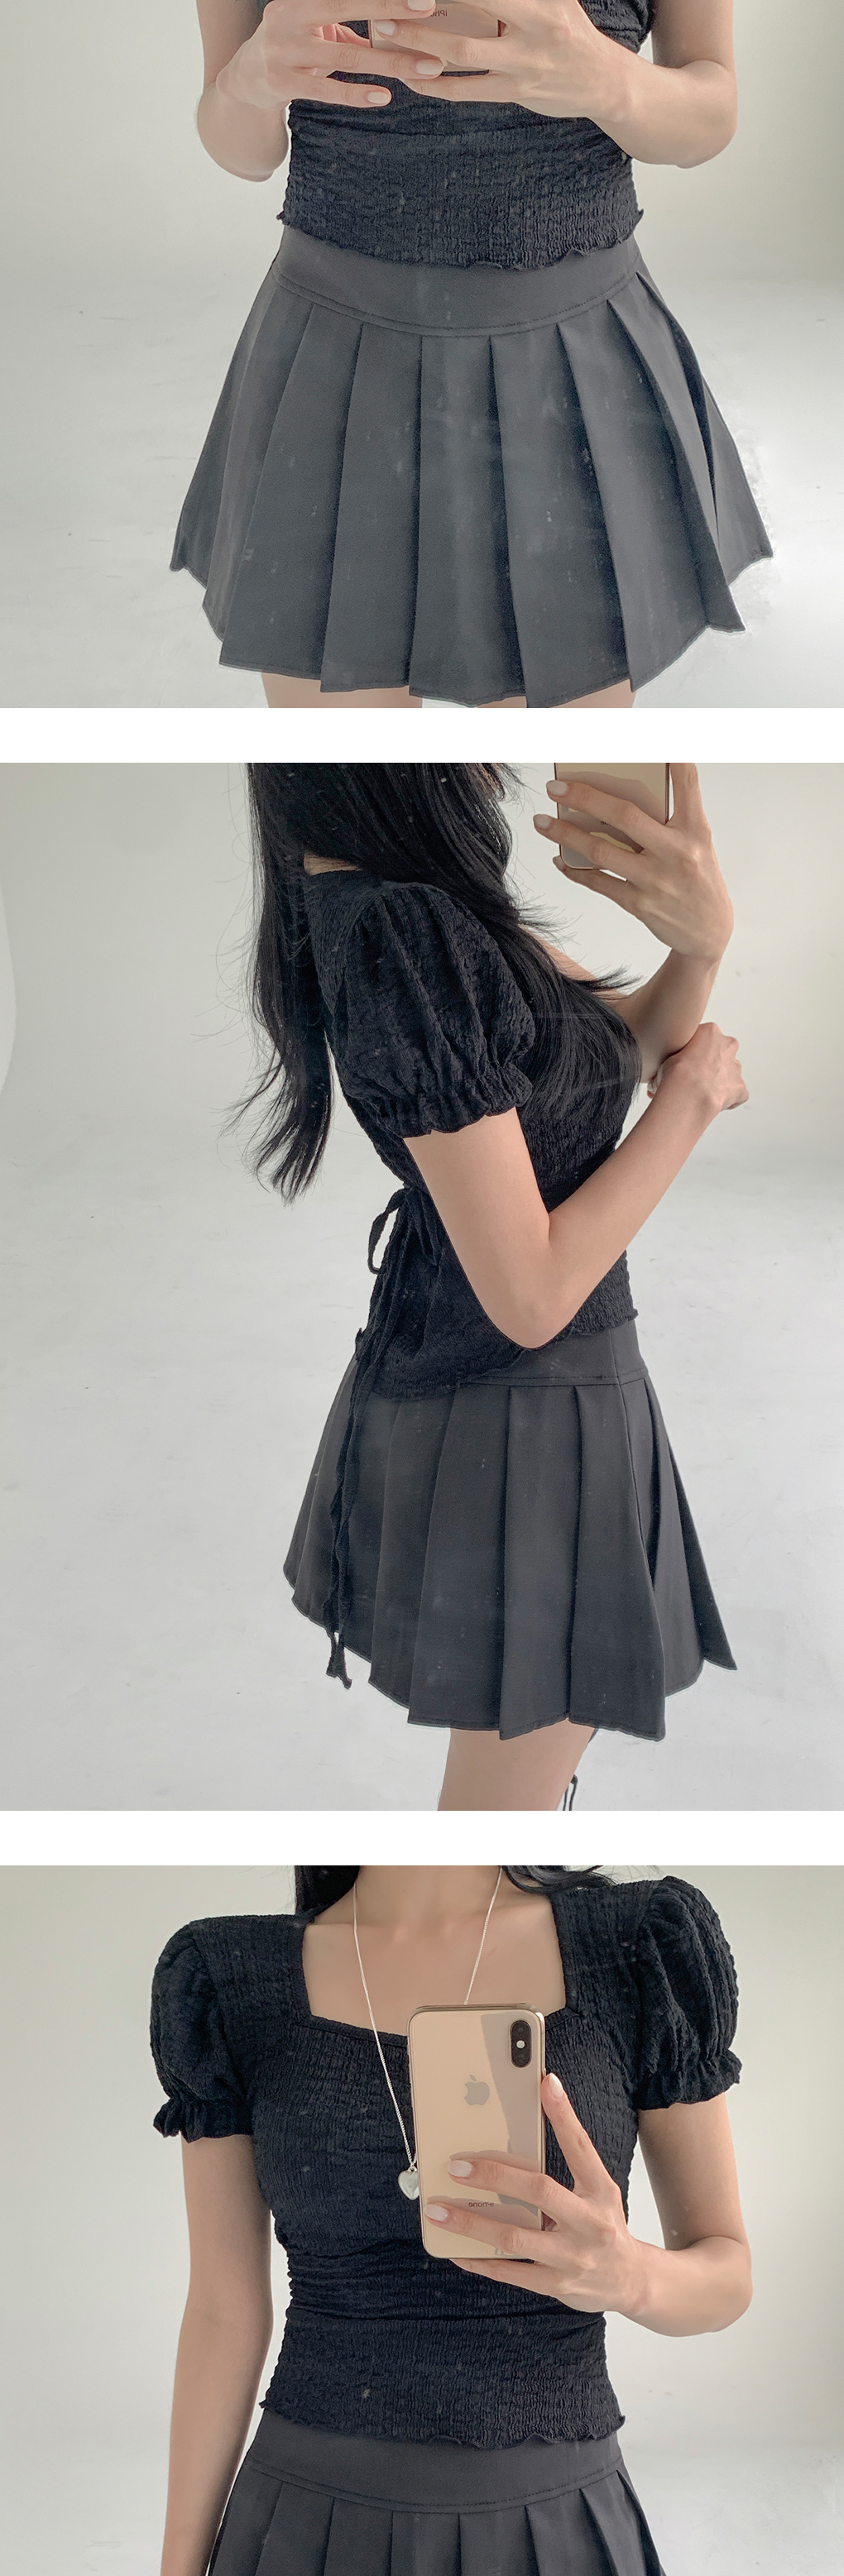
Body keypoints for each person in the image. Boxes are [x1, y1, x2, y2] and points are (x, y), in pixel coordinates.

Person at [138, 1859, 751, 2576]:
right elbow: (225, 2312)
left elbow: (727, 2268)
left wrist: (630, 2274)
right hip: (307, 2558)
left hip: (553, 2556)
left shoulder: (638, 1945)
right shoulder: (232, 1978)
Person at [157, 0, 772, 708]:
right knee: (348, 786)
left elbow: (709, 108)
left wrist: (599, 77)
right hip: (329, 359)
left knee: (592, 781)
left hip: (574, 356)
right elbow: (241, 144)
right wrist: (258, 72)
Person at [244, 759, 746, 1810]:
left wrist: (700, 947)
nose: (489, 747)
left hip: (537, 1391)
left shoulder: (418, 899)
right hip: (524, 1410)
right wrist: (691, 1103)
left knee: (522, 1780)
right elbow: (530, 1293)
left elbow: (616, 1054)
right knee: (501, 1800)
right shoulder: (403, 929)